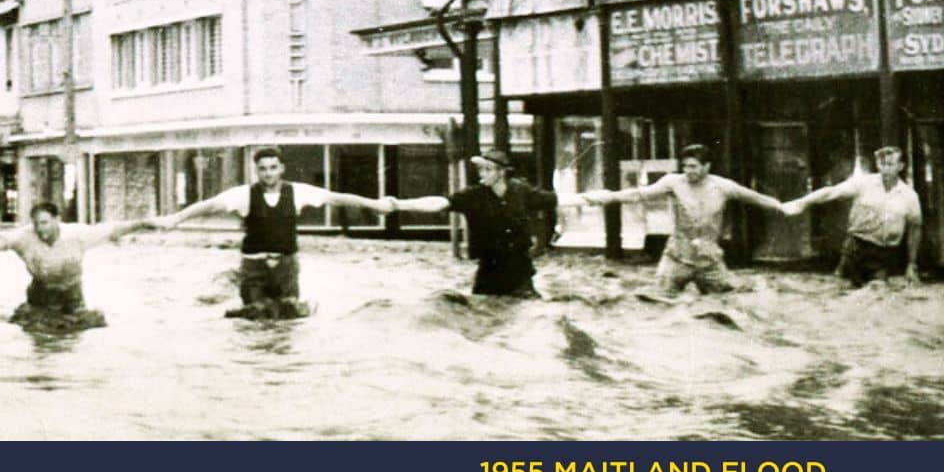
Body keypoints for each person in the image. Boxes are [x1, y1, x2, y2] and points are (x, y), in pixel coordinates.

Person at [149, 146, 393, 319]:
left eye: (273, 168)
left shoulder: (298, 192)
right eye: (263, 169)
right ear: (257, 171)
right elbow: (208, 205)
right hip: (254, 268)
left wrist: (375, 204)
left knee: (289, 317)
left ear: (281, 168)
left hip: (286, 267)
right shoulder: (244, 194)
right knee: (255, 317)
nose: (268, 173)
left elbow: (338, 198)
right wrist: (176, 218)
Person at [578, 144, 783, 295]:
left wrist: (781, 206)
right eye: (685, 166)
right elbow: (640, 194)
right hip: (676, 258)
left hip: (709, 260)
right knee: (658, 302)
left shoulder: (723, 186)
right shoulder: (673, 182)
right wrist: (609, 197)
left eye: (693, 166)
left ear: (707, 166)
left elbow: (753, 197)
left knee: (727, 303)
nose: (688, 171)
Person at [0, 202, 155, 332]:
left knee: (75, 344)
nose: (40, 229)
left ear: (58, 220)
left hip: (72, 297)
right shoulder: (24, 237)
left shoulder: (78, 234)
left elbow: (115, 229)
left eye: (45, 223)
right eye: (37, 223)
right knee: (40, 343)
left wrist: (146, 223)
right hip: (40, 297)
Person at [388, 149, 559, 298]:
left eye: (487, 169)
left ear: (502, 172)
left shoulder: (521, 191)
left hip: (520, 273)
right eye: (480, 169)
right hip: (488, 271)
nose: (482, 174)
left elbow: (555, 199)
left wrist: (586, 199)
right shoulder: (473, 196)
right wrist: (398, 205)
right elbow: (439, 203)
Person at [782, 145, 922, 286]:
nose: (885, 169)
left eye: (890, 164)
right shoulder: (864, 184)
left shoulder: (909, 196)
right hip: (856, 247)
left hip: (885, 252)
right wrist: (802, 202)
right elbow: (831, 192)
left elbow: (915, 229)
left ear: (901, 166)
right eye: (882, 164)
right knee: (842, 290)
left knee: (878, 290)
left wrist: (912, 264)